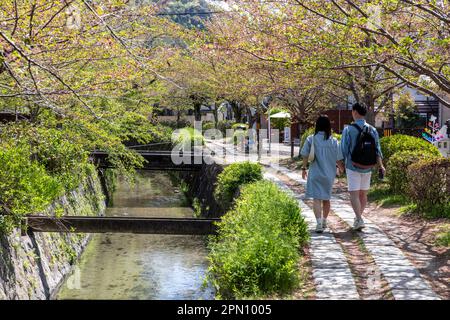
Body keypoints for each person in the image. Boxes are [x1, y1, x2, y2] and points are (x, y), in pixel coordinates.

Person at [337, 103, 385, 231]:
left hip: (352, 166)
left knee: (354, 194)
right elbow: (377, 150)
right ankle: (358, 218)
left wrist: (341, 165)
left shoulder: (348, 129)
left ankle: (358, 219)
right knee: (363, 194)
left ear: (355, 112)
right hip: (368, 166)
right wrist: (381, 165)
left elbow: (343, 149)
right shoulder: (372, 130)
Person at [300, 115, 342, 233]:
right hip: (329, 174)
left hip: (315, 173)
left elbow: (305, 155)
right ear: (329, 126)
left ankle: (318, 223)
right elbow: (338, 158)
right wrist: (342, 168)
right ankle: (324, 221)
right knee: (326, 199)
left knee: (317, 198)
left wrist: (304, 168)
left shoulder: (310, 139)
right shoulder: (334, 141)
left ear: (317, 126)